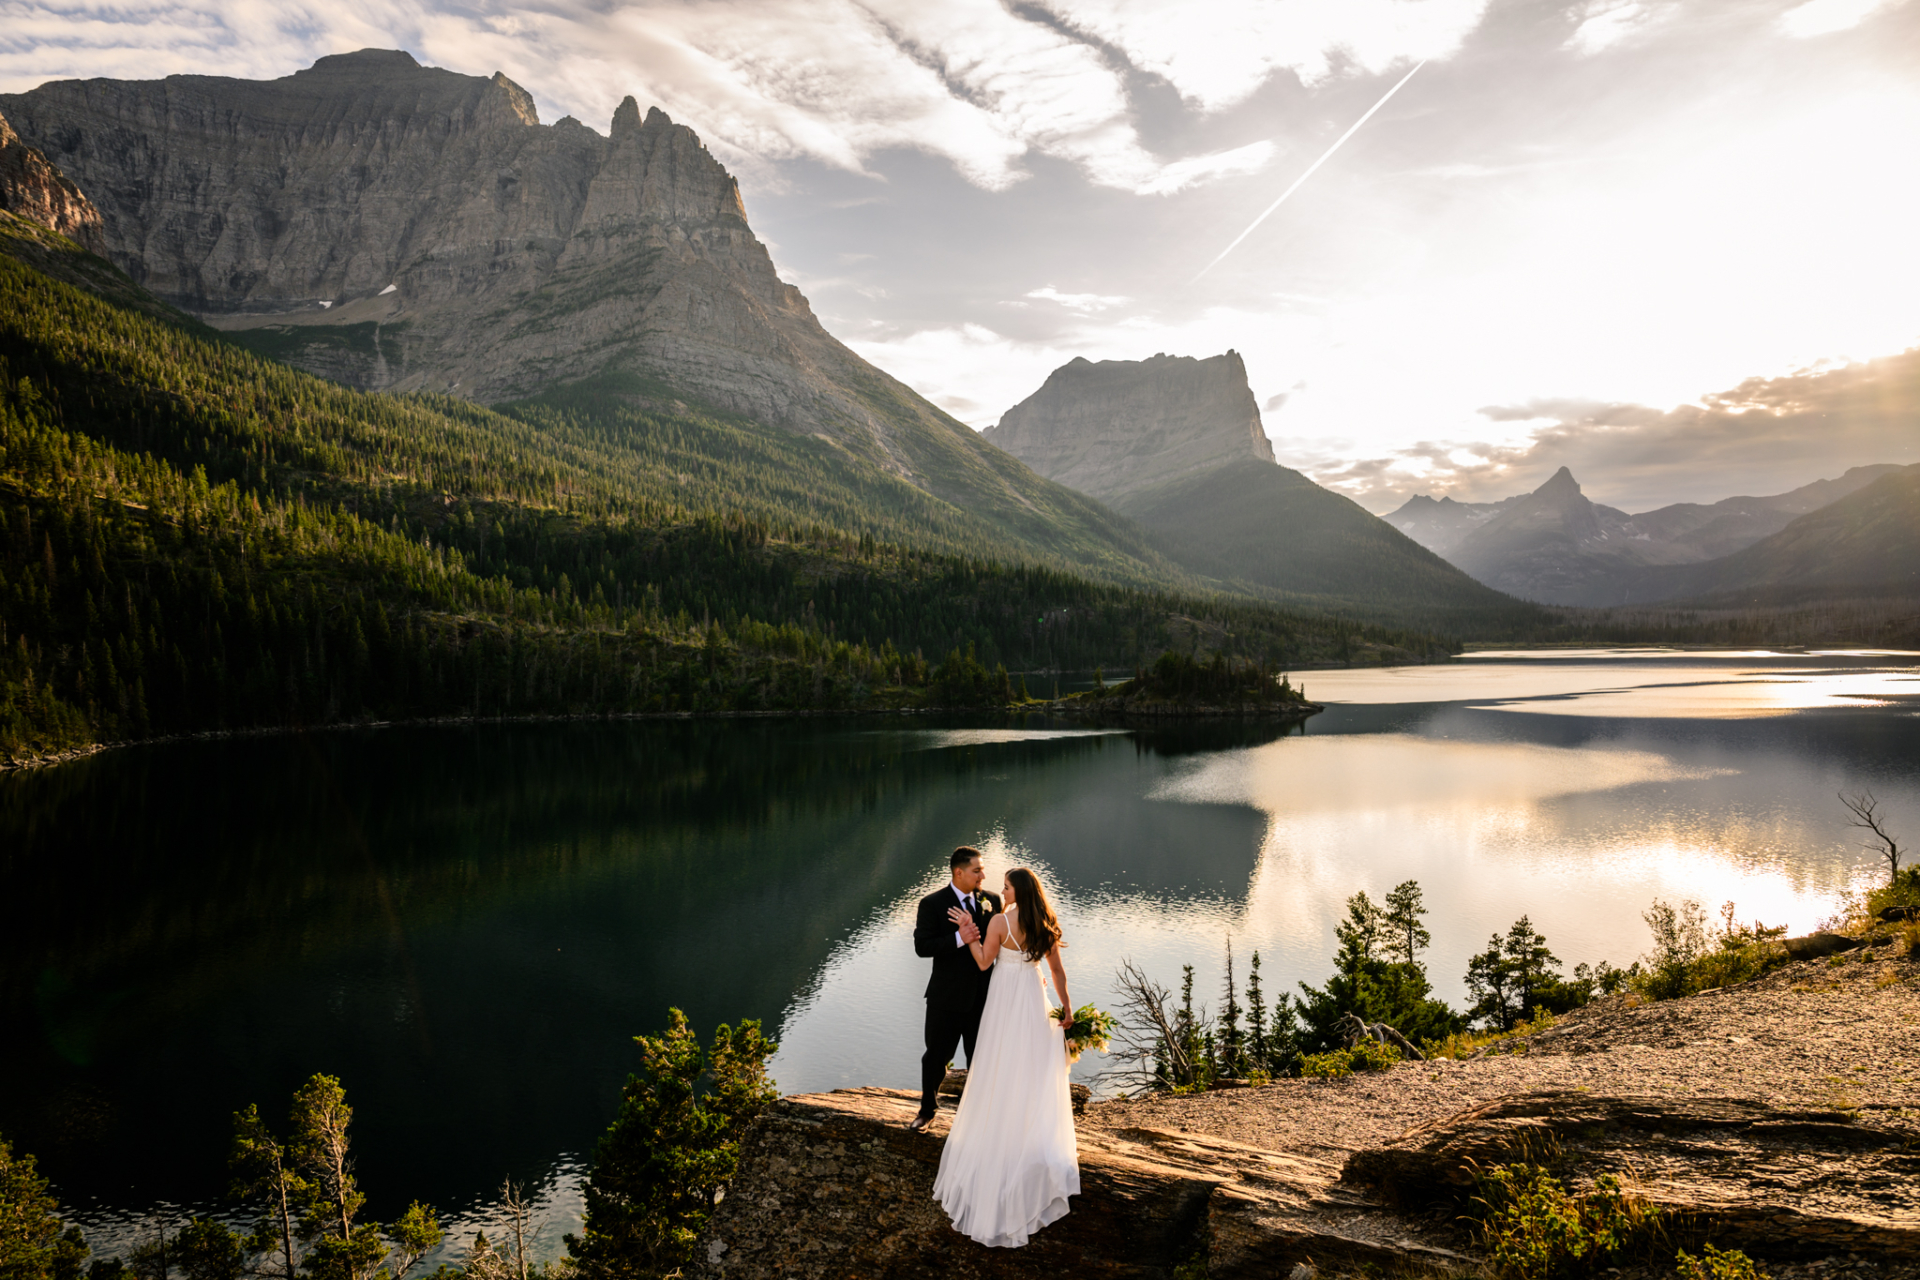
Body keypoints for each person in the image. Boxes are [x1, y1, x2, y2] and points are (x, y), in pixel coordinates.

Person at [930, 865, 1080, 1248]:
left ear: (1019, 891)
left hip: (1003, 998)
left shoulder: (999, 921)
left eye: (1008, 886)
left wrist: (970, 931)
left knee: (998, 1064)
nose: (1003, 890)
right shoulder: (1045, 922)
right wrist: (1066, 1008)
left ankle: (998, 1128)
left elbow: (982, 962)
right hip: (1032, 995)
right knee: (1031, 1063)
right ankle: (1028, 1132)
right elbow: (1057, 971)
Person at [910, 846, 1000, 1132]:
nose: (983, 875)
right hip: (945, 998)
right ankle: (927, 1110)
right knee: (935, 1057)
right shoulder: (932, 903)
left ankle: (979, 1117)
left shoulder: (993, 901)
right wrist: (959, 938)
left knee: (980, 1059)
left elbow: (1002, 943)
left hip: (984, 998)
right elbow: (922, 947)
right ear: (958, 872)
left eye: (982, 869)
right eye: (977, 870)